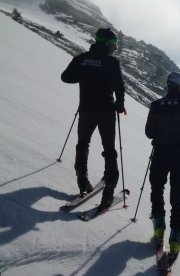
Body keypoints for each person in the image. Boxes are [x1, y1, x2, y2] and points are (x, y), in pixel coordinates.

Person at [61, 28, 126, 208]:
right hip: (106, 111)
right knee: (109, 151)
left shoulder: (81, 59)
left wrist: (84, 76)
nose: (115, 47)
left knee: (82, 145)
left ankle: (83, 184)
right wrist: (120, 105)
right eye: (113, 44)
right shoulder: (112, 62)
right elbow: (120, 87)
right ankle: (108, 195)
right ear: (106, 44)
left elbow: (66, 77)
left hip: (86, 110)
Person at [145, 72, 180, 254]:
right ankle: (175, 237)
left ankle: (159, 226)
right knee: (176, 196)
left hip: (160, 153)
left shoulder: (156, 105)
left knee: (157, 189)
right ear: (179, 87)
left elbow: (149, 133)